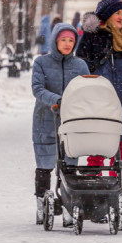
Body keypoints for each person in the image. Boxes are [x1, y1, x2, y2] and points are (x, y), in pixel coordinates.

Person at [76, 0, 122, 172]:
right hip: (97, 105)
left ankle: (115, 190)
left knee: (119, 154)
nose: (121, 17)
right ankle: (93, 188)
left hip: (120, 106)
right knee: (96, 150)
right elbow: (78, 71)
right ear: (107, 15)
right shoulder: (90, 39)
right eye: (117, 12)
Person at [32, 22, 89, 227]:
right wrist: (56, 100)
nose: (67, 44)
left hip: (72, 121)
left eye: (71, 40)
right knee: (45, 164)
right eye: (63, 40)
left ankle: (68, 205)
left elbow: (86, 89)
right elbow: (37, 88)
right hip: (46, 119)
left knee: (70, 164)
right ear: (56, 41)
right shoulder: (41, 63)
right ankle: (41, 204)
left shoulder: (80, 65)